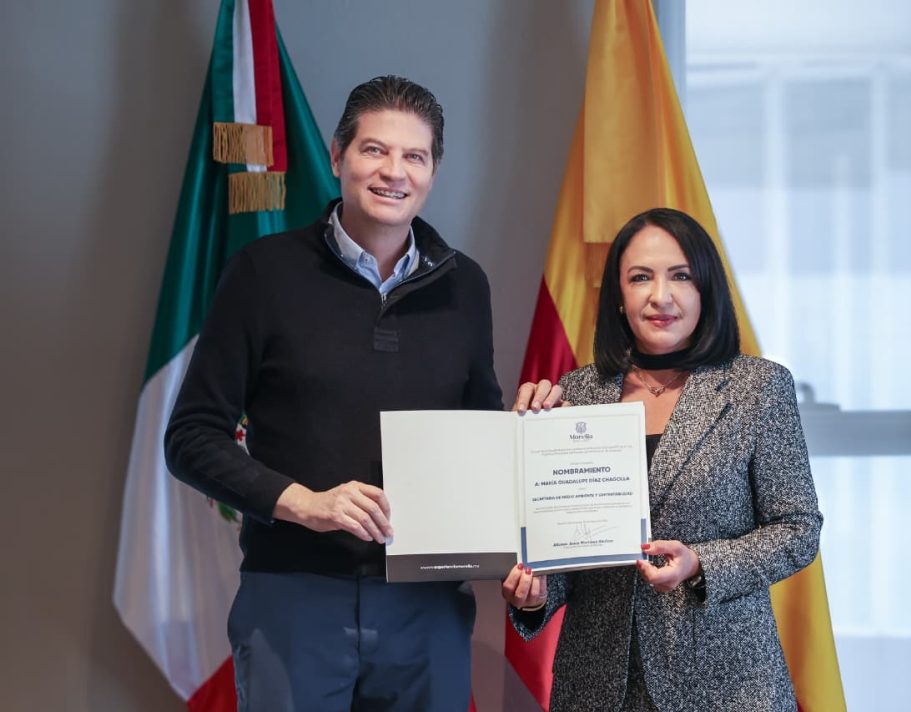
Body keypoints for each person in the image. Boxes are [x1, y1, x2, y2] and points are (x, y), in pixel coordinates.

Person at [165, 75, 503, 712]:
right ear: (337, 156)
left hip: (426, 605)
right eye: (375, 150)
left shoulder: (466, 286)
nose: (394, 172)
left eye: (414, 156)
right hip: (294, 596)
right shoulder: (263, 272)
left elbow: (480, 433)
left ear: (433, 172)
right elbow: (191, 438)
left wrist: (531, 438)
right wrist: (304, 503)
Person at [502, 207, 822, 712]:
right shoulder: (574, 394)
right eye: (640, 278)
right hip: (597, 685)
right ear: (618, 296)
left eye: (680, 276)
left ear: (706, 289)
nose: (660, 295)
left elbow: (798, 530)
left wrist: (702, 564)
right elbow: (568, 544)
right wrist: (536, 594)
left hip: (727, 684)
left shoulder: (758, 388)